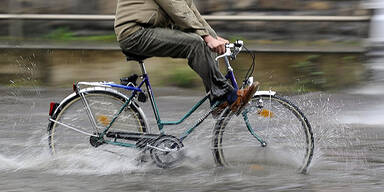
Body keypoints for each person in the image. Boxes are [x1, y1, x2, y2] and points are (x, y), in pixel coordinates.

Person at [114, 0, 258, 115]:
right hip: (134, 33)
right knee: (195, 44)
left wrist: (214, 37)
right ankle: (224, 96)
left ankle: (220, 103)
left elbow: (190, 11)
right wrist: (207, 38)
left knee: (203, 42)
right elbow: (176, 8)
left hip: (147, 28)